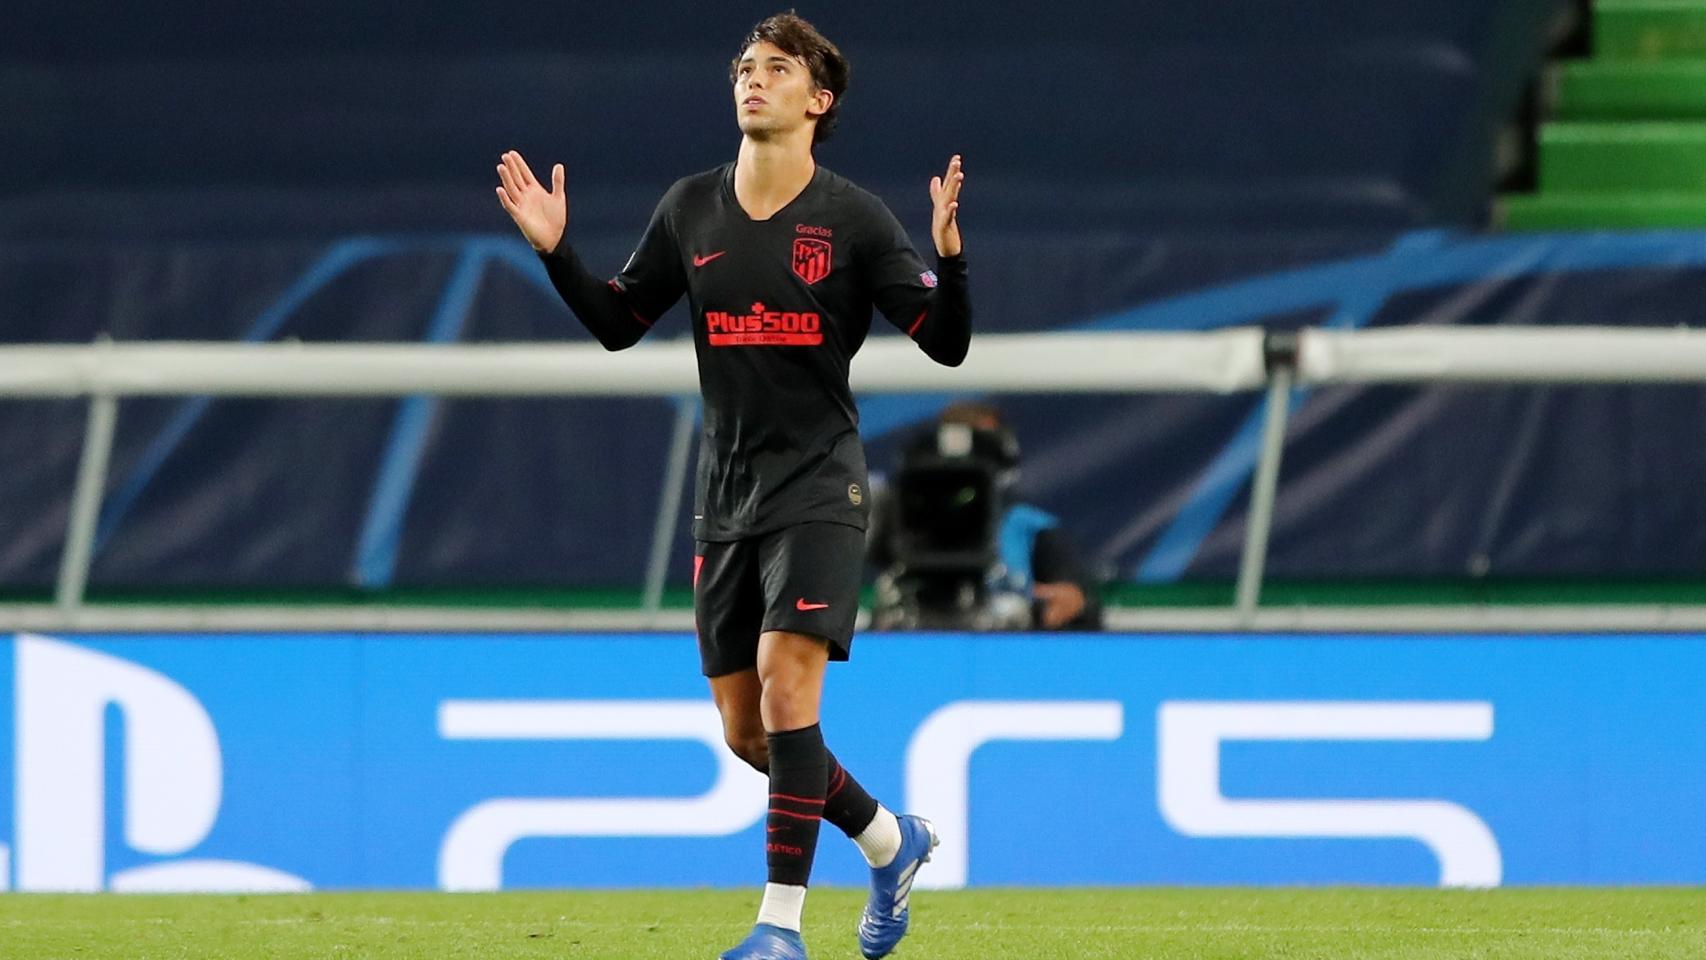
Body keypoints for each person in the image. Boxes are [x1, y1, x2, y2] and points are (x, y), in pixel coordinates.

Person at [494, 12, 970, 960]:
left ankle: (777, 932)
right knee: (749, 736)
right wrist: (557, 253)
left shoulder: (855, 218)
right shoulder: (690, 208)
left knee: (790, 692)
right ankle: (891, 840)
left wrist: (950, 258)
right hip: (730, 495)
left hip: (820, 486)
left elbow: (947, 344)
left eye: (777, 69)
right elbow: (621, 322)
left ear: (816, 99)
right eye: (745, 67)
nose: (752, 80)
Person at [869, 402, 1102, 631]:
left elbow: (1075, 596)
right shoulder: (899, 519)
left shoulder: (1028, 524)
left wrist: (1075, 600)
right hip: (914, 635)